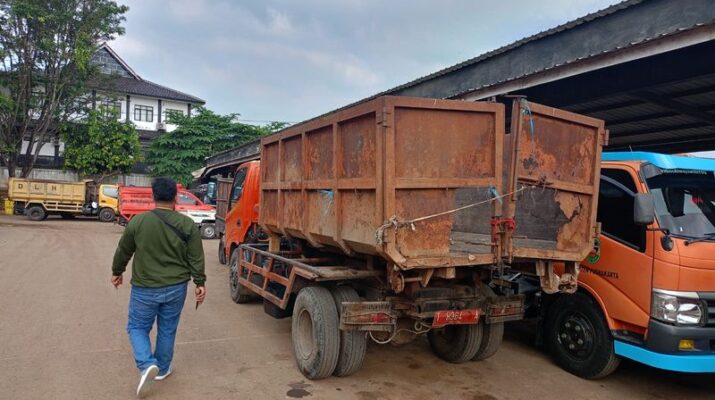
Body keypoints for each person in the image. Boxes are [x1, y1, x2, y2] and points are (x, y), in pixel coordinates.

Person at [111, 177, 206, 398]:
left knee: (137, 327)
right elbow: (196, 257)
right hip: (176, 287)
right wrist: (200, 282)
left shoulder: (138, 222)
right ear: (175, 197)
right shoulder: (187, 224)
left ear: (153, 196)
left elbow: (123, 250)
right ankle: (162, 369)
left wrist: (117, 272)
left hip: (145, 288)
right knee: (167, 328)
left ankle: (146, 364)